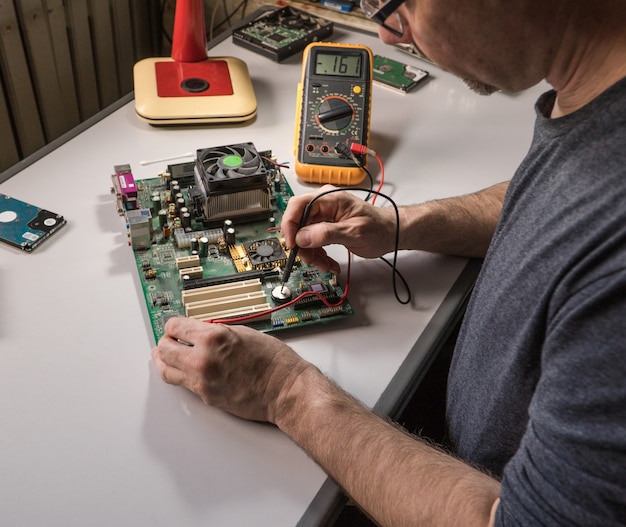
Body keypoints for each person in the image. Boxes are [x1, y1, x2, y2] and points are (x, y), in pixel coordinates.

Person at [151, 0, 626, 524]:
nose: (391, 35)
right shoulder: (595, 93)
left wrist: (284, 392)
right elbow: (554, 197)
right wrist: (402, 224)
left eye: (396, 5)